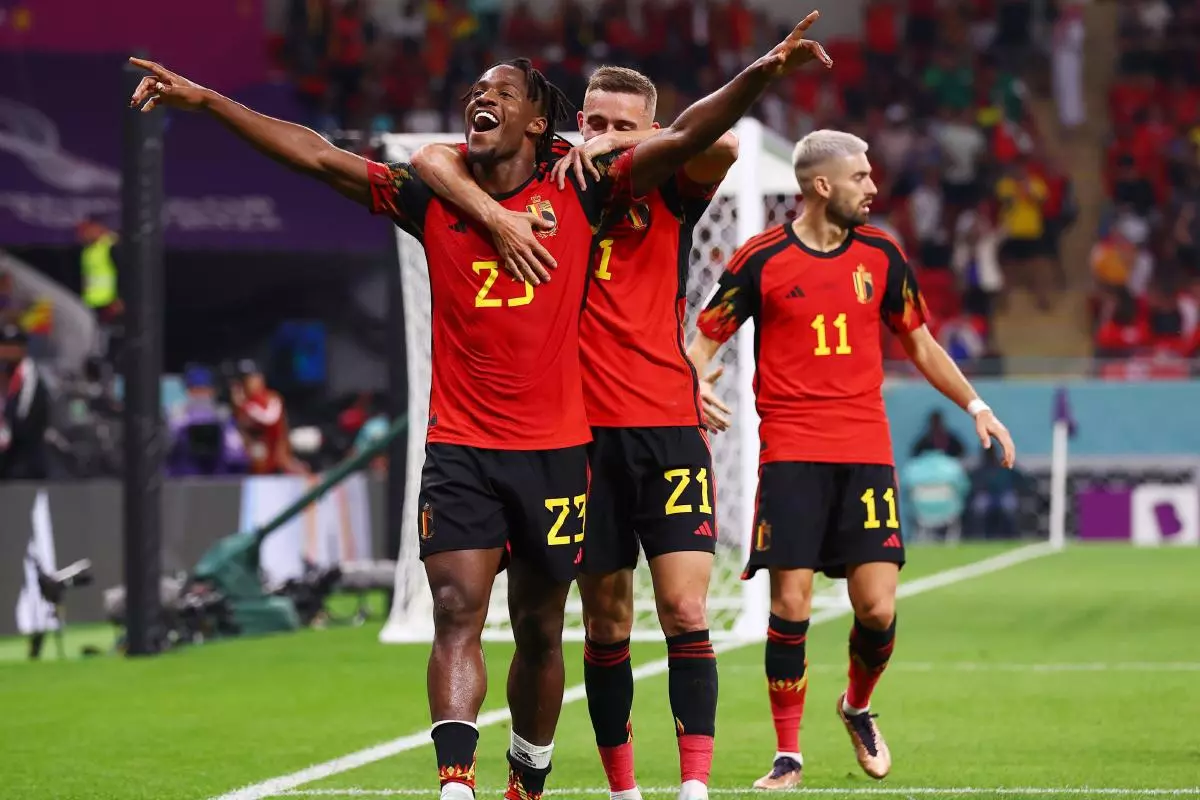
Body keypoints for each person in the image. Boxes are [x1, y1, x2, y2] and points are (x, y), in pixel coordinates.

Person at [129, 19, 830, 800]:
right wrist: (209, 100)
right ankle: (456, 783)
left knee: (540, 627)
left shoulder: (582, 190)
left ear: (537, 121)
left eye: (500, 91)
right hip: (459, 446)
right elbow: (319, 156)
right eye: (475, 91)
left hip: (558, 452)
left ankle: (528, 773)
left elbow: (698, 134)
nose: (479, 98)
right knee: (456, 608)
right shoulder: (431, 193)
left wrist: (764, 69)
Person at [687, 129, 1016, 788]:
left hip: (865, 451)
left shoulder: (882, 254)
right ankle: (788, 754)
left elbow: (920, 344)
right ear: (822, 185)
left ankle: (857, 706)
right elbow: (703, 338)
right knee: (792, 603)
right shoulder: (761, 259)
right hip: (792, 453)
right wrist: (692, 378)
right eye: (860, 177)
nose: (872, 187)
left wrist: (976, 405)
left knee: (877, 609)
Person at [0, 324, 50, 481]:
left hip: (25, 461)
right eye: (4, 345)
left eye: (13, 346)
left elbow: (27, 420)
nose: (8, 351)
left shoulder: (32, 379)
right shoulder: (5, 374)